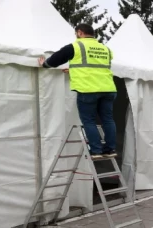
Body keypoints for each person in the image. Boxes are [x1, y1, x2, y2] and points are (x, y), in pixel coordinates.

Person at [38, 23, 117, 159]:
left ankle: (96, 151)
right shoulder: (106, 49)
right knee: (108, 120)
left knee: (89, 121)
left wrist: (44, 64)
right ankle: (110, 149)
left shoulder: (77, 46)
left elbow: (57, 58)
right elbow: (95, 67)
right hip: (108, 89)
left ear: (80, 32)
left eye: (76, 34)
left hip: (88, 89)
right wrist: (74, 70)